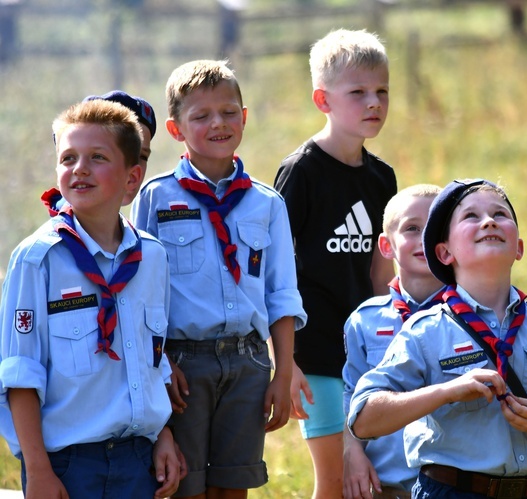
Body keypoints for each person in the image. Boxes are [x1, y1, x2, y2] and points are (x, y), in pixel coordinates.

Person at [348, 179, 527, 499]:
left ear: (519, 247)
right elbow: (364, 418)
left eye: (500, 214)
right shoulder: (424, 331)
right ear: (444, 252)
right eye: (470, 217)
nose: (489, 221)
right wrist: (446, 391)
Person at [131, 59, 306, 499]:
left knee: (234, 484)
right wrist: (160, 364)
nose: (218, 124)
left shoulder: (267, 203)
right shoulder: (156, 197)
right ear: (175, 129)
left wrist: (282, 373)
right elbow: (140, 290)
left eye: (229, 112)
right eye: (201, 116)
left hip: (248, 363)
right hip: (183, 366)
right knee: (182, 485)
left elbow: (281, 294)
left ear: (244, 118)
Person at [0, 99, 180, 498]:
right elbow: (20, 376)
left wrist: (162, 433)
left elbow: (150, 360)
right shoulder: (37, 260)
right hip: (67, 466)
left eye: (97, 157)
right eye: (67, 158)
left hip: (138, 461)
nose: (78, 168)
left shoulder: (151, 258)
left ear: (132, 179)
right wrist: (39, 470)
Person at [273, 28, 397, 499]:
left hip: (369, 354)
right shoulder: (300, 172)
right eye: (358, 92)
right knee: (335, 483)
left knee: (375, 483)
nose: (374, 103)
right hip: (316, 354)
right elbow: (274, 269)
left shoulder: (382, 177)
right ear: (323, 99)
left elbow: (382, 270)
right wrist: (285, 363)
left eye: (382, 91)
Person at [343, 184, 445, 499]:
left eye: (436, 228)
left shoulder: (473, 317)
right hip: (388, 485)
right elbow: (351, 394)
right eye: (412, 228)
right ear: (387, 246)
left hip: (453, 485)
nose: (425, 237)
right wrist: (350, 452)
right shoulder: (365, 320)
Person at [41, 89, 158, 216]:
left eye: (141, 156)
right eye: (98, 156)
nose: (132, 165)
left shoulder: (128, 233)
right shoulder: (56, 234)